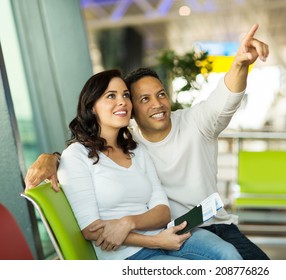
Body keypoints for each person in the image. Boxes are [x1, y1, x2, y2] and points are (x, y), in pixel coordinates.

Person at [24, 24, 270, 259]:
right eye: (144, 99)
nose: (157, 104)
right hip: (165, 237)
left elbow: (225, 100)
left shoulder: (191, 124)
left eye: (161, 94)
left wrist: (239, 64)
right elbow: (86, 152)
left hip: (210, 227)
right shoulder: (129, 139)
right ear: (133, 112)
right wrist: (52, 157)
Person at [56, 69, 242, 260]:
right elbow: (91, 230)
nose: (122, 101)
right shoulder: (76, 156)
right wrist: (156, 242)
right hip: (129, 254)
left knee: (227, 254)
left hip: (165, 235)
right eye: (111, 96)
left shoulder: (136, 150)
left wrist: (128, 222)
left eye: (125, 95)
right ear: (92, 106)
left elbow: (162, 212)